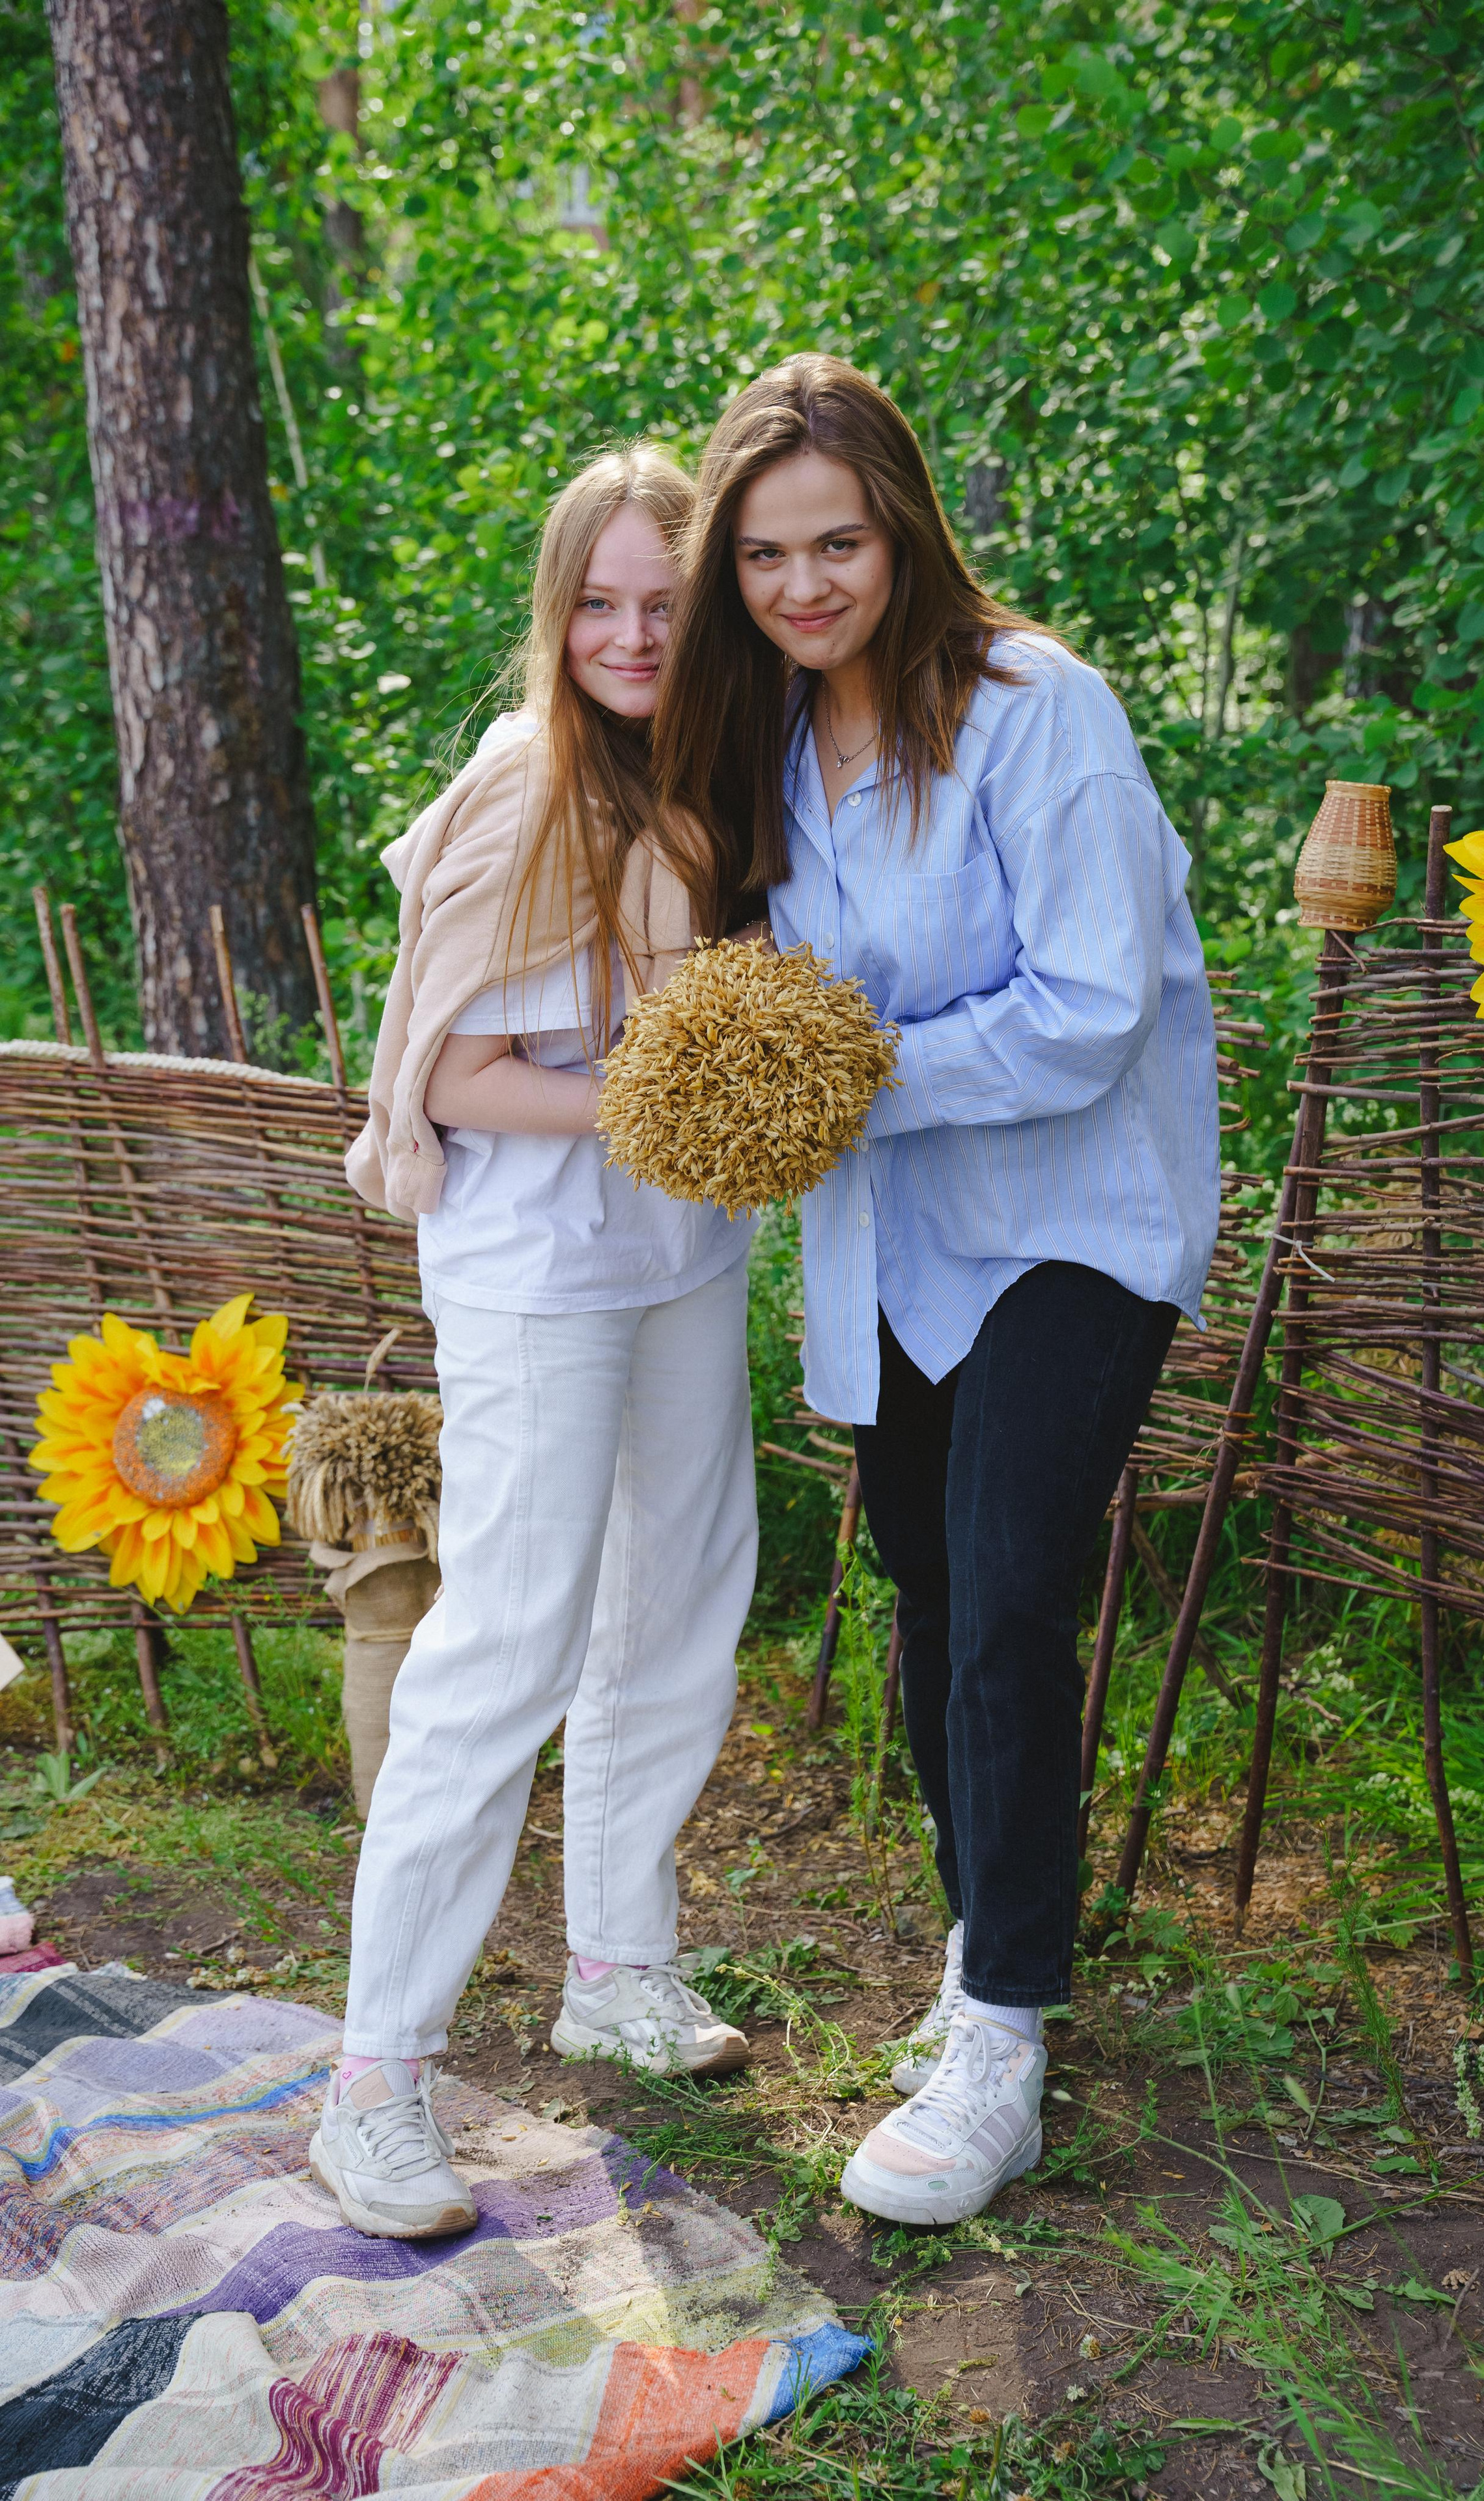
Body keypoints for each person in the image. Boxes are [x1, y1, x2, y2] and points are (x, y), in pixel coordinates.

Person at [657, 357, 1220, 2227]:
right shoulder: (764, 743)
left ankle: (1003, 2045)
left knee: (1008, 1599)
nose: (804, 587)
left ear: (902, 527)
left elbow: (1090, 1007)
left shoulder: (1037, 712)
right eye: (764, 558)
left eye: (838, 544)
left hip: (1072, 1221)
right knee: (926, 1590)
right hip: (896, 1241)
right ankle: (991, 1942)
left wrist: (844, 1071)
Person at [315, 447, 759, 2240]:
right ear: (554, 614)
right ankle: (376, 2079)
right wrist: (670, 1098)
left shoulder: (705, 780)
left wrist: (724, 1100)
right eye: (599, 603)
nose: (632, 636)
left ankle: (618, 1965)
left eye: (664, 603)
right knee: (507, 1637)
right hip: (536, 1268)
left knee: (682, 1596)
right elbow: (451, 1072)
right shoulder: (527, 785)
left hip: (682, 1246)